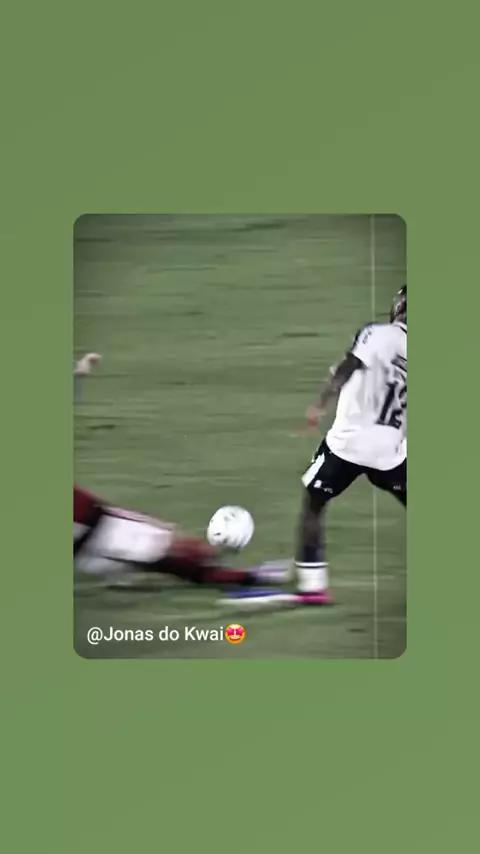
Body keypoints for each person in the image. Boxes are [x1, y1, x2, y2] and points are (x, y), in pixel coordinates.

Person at [294, 285, 407, 604]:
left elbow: (349, 366)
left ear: (399, 308)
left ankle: (312, 586)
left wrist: (320, 404)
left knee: (314, 503)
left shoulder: (377, 333)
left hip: (348, 444)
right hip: (390, 452)